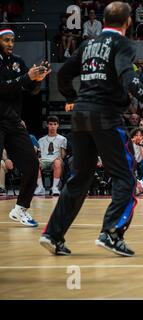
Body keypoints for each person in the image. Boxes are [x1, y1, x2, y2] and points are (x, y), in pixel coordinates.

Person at [40, 2, 143, 257]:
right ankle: (111, 232)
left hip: (80, 116)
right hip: (105, 116)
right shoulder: (122, 44)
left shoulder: (88, 44)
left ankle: (53, 234)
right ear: (128, 21)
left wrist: (70, 96)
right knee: (125, 177)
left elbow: (63, 74)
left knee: (79, 178)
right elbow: (126, 74)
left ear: (104, 20)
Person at [0, 27, 51, 227]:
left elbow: (31, 89)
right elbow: (3, 87)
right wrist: (27, 77)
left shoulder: (18, 62)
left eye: (12, 40)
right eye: (6, 40)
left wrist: (39, 79)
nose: (10, 44)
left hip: (12, 121)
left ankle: (20, 209)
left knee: (31, 163)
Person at [34, 116, 67, 196]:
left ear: (58, 125)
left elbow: (63, 154)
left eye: (55, 124)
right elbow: (39, 154)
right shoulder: (41, 140)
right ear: (47, 125)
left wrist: (61, 157)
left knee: (57, 162)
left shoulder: (62, 139)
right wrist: (38, 158)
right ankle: (40, 187)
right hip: (44, 161)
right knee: (35, 162)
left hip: (55, 161)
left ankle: (55, 188)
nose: (52, 126)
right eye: (50, 124)